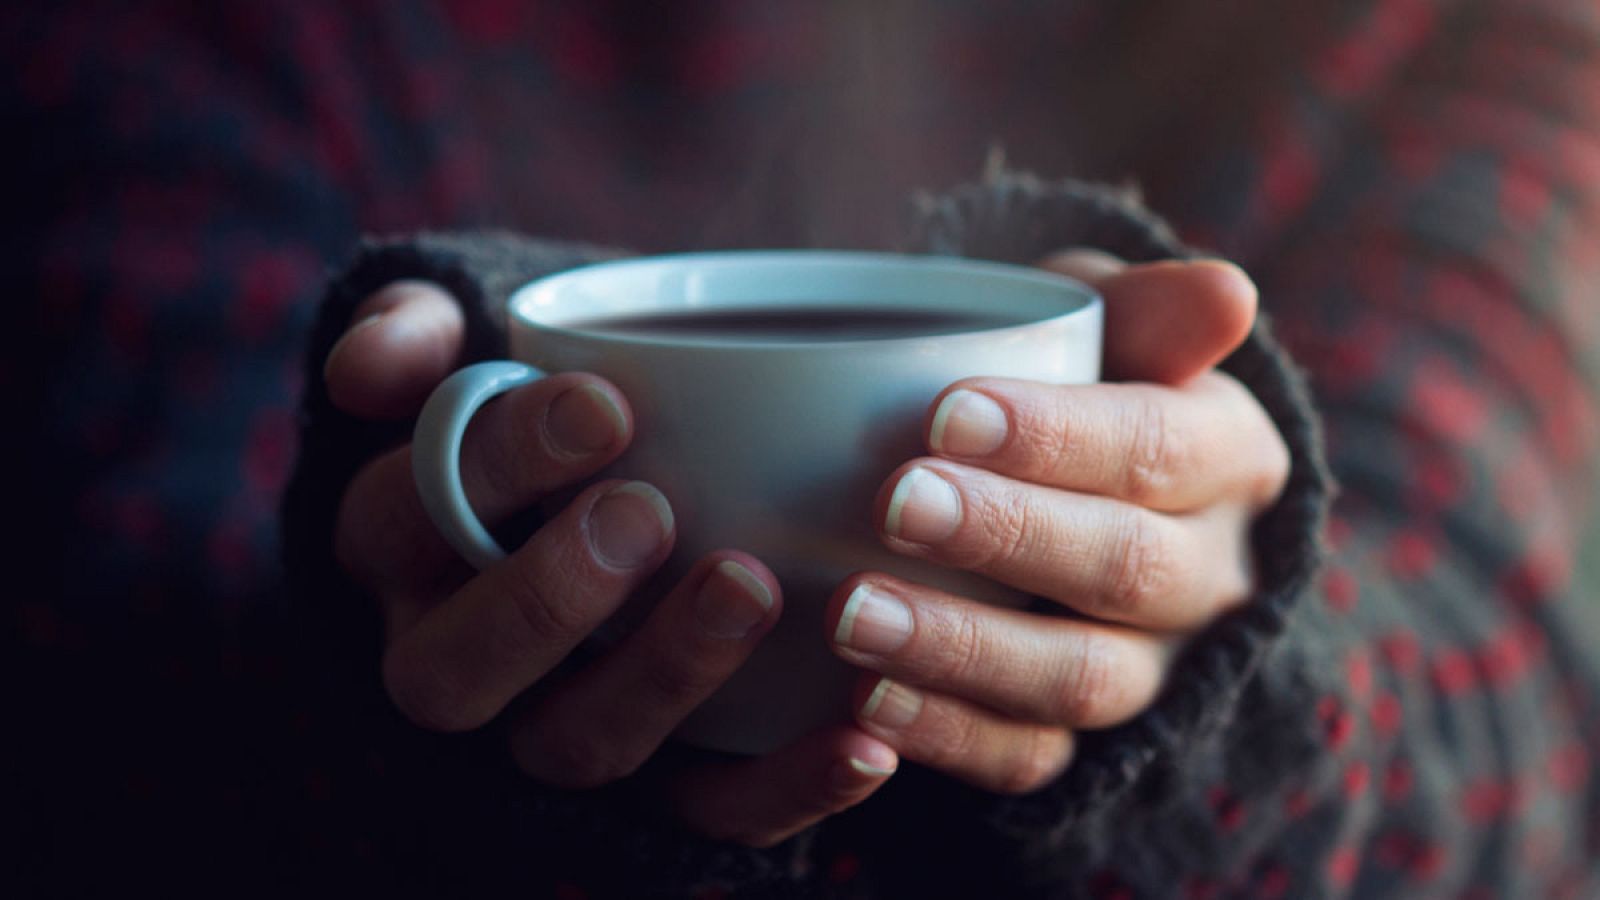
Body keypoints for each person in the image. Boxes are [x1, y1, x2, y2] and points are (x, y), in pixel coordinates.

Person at [15, 1, 1599, 897]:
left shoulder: (1450, 30)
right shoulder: (218, 35)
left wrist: (1226, 669)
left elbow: (1507, 706)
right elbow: (105, 677)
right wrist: (374, 608)